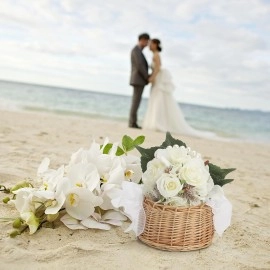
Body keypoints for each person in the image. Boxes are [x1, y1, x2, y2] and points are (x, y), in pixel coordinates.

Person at [143, 38, 215, 138]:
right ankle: (155, 123)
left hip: (158, 81)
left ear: (155, 44)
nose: (149, 46)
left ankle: (157, 123)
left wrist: (151, 78)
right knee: (157, 101)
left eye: (151, 44)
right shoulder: (154, 55)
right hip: (157, 81)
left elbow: (158, 68)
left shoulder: (156, 55)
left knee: (158, 101)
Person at [129, 33, 150, 129]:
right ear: (142, 40)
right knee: (135, 101)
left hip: (139, 80)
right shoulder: (136, 50)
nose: (147, 43)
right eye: (146, 41)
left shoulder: (139, 51)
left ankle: (133, 122)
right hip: (138, 80)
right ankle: (132, 123)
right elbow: (139, 66)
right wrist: (147, 77)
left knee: (136, 101)